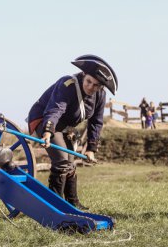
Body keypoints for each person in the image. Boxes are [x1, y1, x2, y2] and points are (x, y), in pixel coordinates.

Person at [27, 54, 118, 210]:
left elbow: (96, 122)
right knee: (62, 161)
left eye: (96, 85)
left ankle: (72, 204)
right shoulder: (67, 84)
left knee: (70, 162)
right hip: (44, 119)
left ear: (101, 87)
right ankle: (53, 206)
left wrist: (91, 149)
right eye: (89, 81)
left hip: (64, 127)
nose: (91, 87)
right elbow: (56, 109)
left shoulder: (100, 96)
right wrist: (48, 132)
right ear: (84, 75)